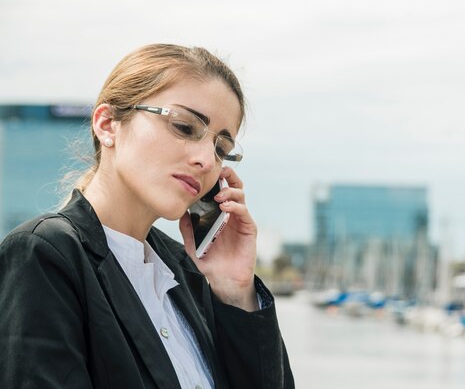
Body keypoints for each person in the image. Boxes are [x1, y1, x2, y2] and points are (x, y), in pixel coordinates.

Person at [0, 44, 295, 389]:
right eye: (185, 127)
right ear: (108, 124)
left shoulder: (189, 274)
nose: (206, 160)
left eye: (221, 150)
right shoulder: (44, 255)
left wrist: (234, 291)